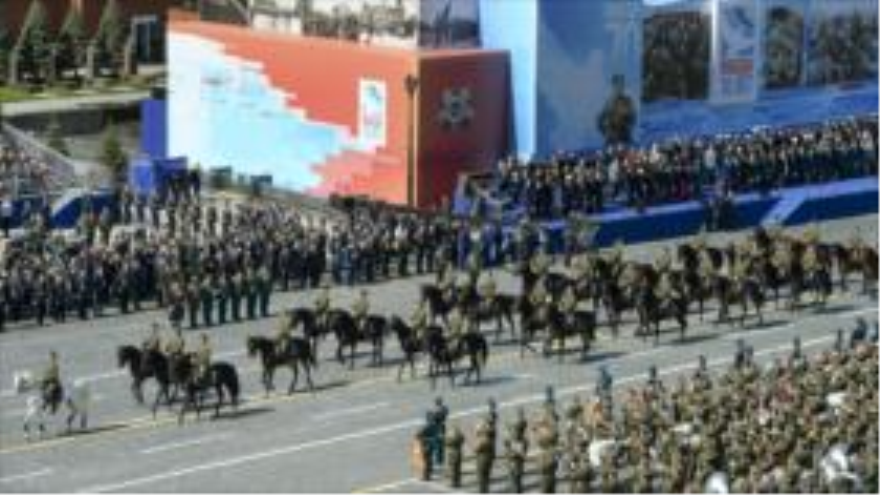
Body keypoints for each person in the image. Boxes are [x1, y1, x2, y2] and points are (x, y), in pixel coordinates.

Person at [444, 423, 464, 488]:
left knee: (452, 468)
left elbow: (446, 442)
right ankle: (458, 482)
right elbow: (463, 440)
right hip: (458, 452)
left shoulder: (449, 437)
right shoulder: (460, 435)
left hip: (451, 452)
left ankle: (453, 483)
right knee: (458, 468)